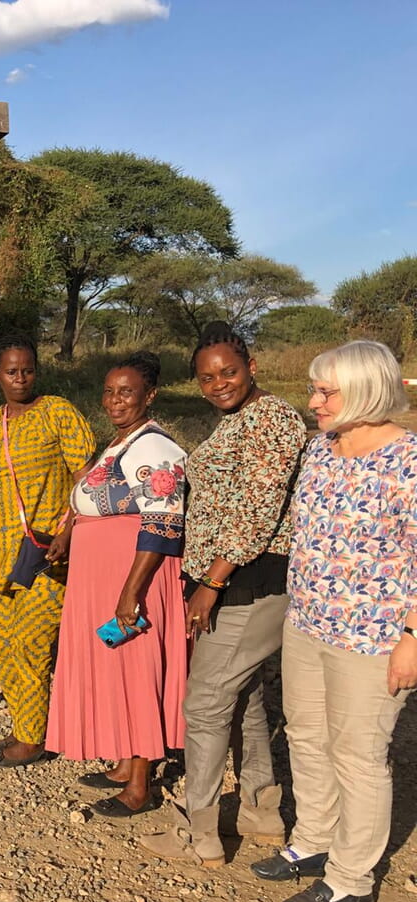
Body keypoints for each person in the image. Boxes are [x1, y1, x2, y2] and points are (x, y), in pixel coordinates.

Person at [249, 341, 417, 902]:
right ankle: (313, 840)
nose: (313, 401)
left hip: (374, 637)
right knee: (306, 736)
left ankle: (351, 878)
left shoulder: (409, 461)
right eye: (315, 389)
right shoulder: (322, 451)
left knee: (360, 755)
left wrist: (413, 638)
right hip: (310, 621)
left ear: (367, 391)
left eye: (326, 392)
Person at [140, 322, 304, 865]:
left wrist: (209, 584)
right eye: (207, 378)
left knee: (206, 703)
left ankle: (200, 833)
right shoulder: (233, 422)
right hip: (229, 576)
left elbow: (255, 511)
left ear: (251, 367)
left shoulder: (273, 419)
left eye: (228, 372)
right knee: (246, 699)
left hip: (248, 578)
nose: (218, 384)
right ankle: (261, 813)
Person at [44, 353, 189, 816]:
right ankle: (127, 762)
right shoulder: (122, 442)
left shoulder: (155, 448)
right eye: (109, 391)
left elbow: (164, 521)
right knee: (116, 666)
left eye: (126, 392)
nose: (114, 400)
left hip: (134, 573)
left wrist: (131, 591)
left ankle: (141, 786)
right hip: (103, 571)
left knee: (136, 669)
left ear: (150, 396)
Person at [0, 334, 94, 766]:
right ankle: (27, 724)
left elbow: (84, 478)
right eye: (11, 371)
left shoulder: (57, 413)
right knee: (5, 644)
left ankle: (34, 738)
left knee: (32, 643)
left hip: (46, 555)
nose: (20, 378)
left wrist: (70, 530)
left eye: (27, 370)